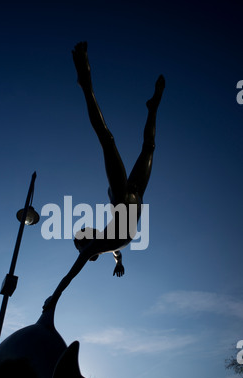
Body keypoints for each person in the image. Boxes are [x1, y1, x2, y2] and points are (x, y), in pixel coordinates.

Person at [43, 42, 165, 310]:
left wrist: (120, 261)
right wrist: (54, 298)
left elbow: (117, 253)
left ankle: (85, 84)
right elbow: (70, 275)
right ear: (85, 244)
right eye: (83, 233)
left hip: (123, 195)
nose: (87, 229)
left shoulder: (106, 243)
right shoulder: (91, 249)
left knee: (108, 140)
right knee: (149, 147)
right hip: (136, 193)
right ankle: (152, 107)